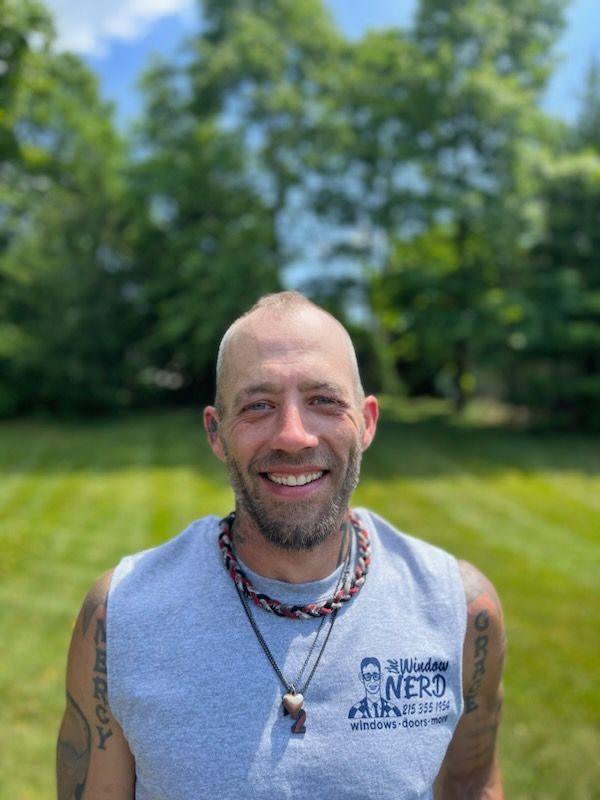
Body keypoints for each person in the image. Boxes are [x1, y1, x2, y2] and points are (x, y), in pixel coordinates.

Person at [57, 291, 505, 799]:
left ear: (367, 423)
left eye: (324, 401)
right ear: (216, 432)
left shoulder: (461, 609)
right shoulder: (118, 617)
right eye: (259, 405)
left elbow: (474, 784)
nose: (293, 436)